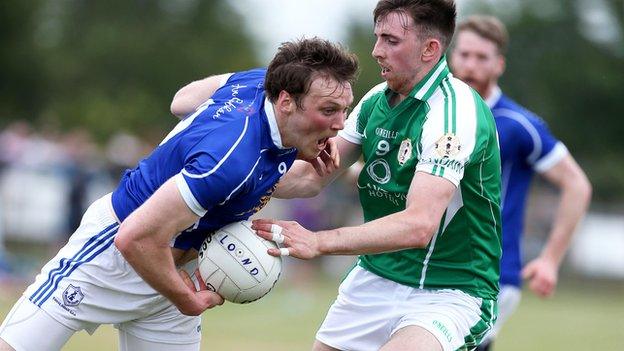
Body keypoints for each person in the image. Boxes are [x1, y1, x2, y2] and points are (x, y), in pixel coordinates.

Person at [0, 37, 358, 351]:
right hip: (113, 256)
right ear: (285, 101)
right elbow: (135, 238)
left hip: (174, 270)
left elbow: (180, 101)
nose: (340, 123)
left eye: (344, 110)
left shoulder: (257, 84)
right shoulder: (230, 160)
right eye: (328, 110)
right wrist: (184, 298)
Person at [253, 1, 502, 350]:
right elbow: (310, 177)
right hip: (375, 278)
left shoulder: (452, 113)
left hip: (450, 291)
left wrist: (318, 241)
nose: (376, 51)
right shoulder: (375, 103)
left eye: (391, 40)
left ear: (430, 49)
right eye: (377, 38)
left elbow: (419, 225)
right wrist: (236, 180)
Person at [449, 15, 592, 350]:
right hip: (435, 268)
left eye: (481, 58)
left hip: (492, 274)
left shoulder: (518, 124)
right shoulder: (434, 112)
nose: (470, 65)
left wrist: (550, 259)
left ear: (499, 64)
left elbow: (577, 185)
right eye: (464, 54)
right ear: (452, 56)